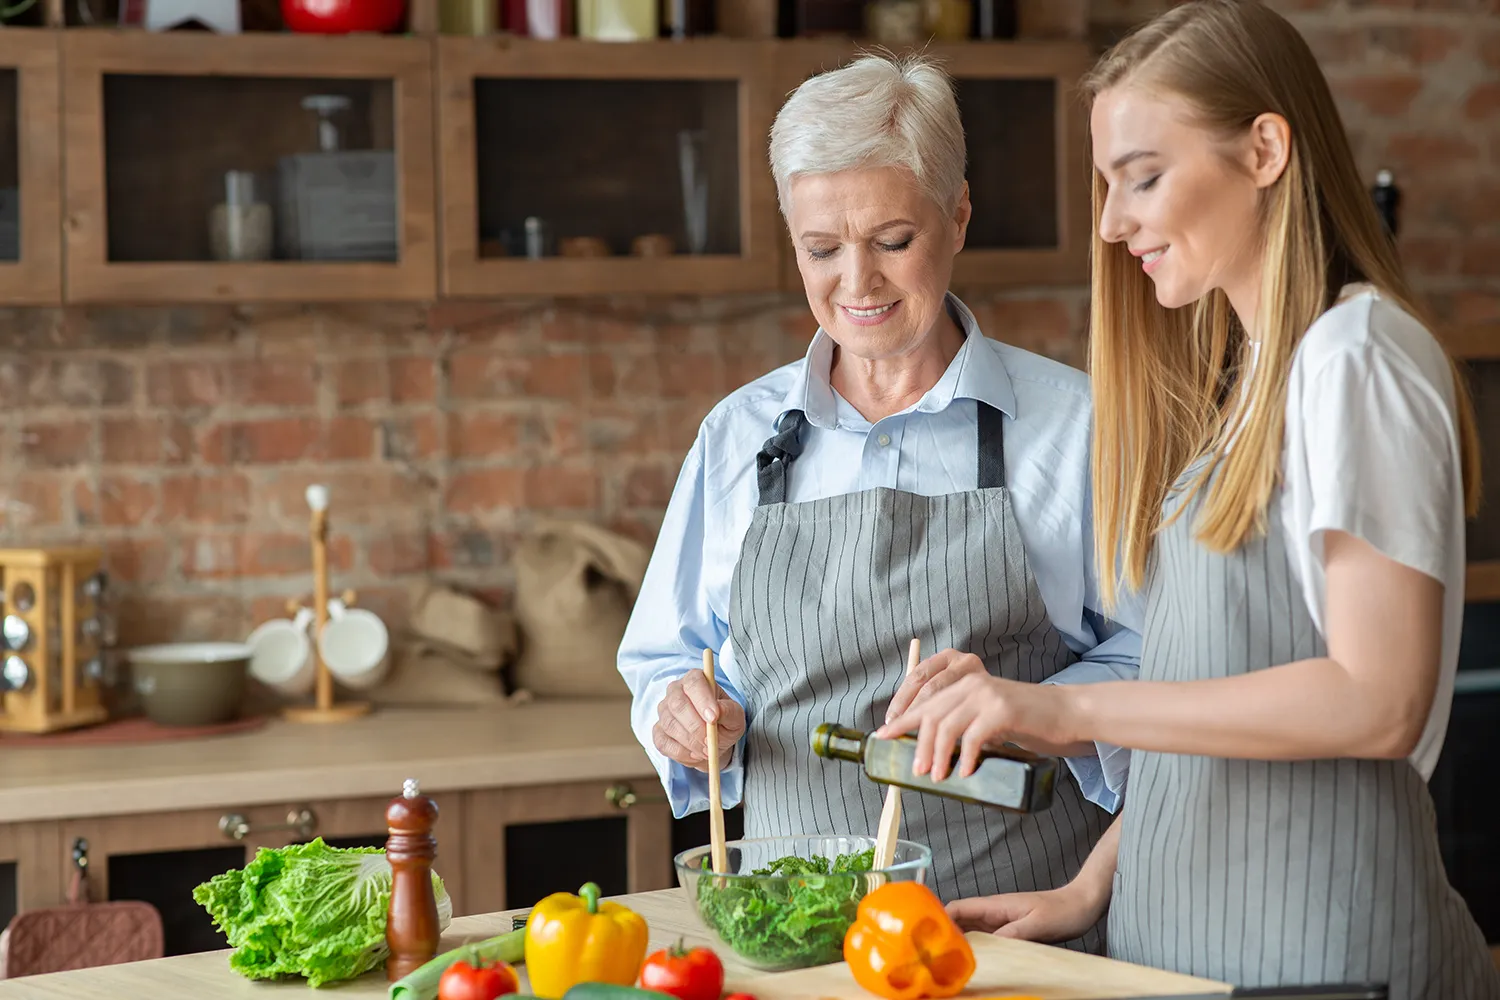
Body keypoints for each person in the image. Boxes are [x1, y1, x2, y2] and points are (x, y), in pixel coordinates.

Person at [879, 1, 1500, 994]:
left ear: (1263, 150)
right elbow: (1232, 691)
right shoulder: (1254, 381)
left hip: (1318, 961)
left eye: (1145, 178)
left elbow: (1377, 699)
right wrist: (1095, 881)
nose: (1114, 223)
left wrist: (1062, 699)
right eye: (1109, 188)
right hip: (1191, 951)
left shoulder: (1356, 356)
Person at [615, 52, 1142, 950]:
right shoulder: (739, 436)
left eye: (892, 241)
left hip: (1014, 944)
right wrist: (681, 709)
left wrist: (1038, 711)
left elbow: (1161, 666)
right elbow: (669, 656)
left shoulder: (1078, 428)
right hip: (791, 938)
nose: (856, 283)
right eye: (822, 249)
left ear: (959, 215)